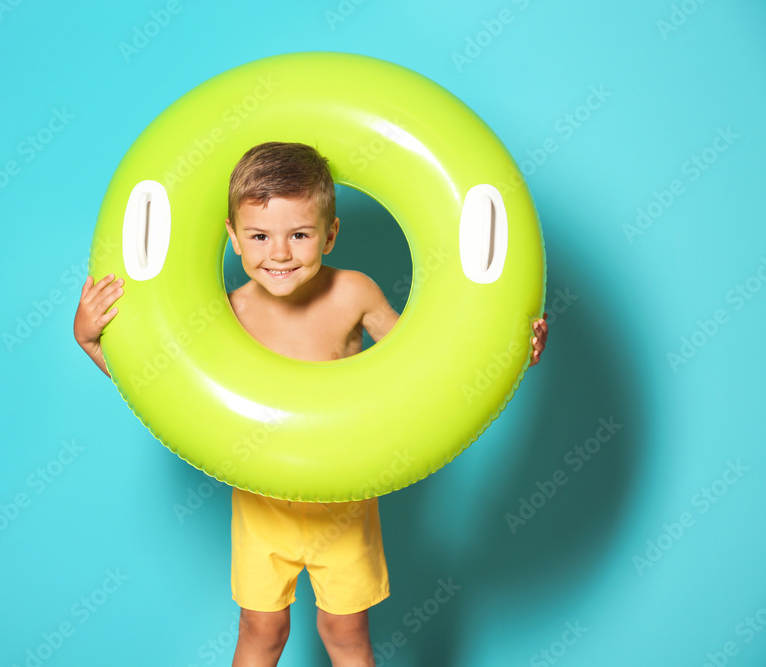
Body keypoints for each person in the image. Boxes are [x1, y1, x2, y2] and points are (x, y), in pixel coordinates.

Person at [73, 142, 549, 666]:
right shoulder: (226, 314)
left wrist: (507, 356)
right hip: (262, 501)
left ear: (330, 233)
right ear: (233, 237)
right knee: (263, 629)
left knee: (344, 633)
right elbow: (164, 391)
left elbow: (427, 373)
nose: (279, 253)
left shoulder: (353, 293)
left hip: (343, 501)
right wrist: (92, 342)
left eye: (299, 234)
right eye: (259, 236)